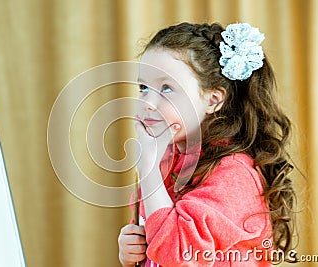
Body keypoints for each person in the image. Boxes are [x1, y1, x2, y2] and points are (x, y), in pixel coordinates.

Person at [118, 22, 296, 266]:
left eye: (167, 88)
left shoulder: (234, 175)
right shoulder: (169, 159)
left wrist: (147, 165)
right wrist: (132, 250)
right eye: (144, 87)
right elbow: (153, 237)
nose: (147, 102)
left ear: (213, 100)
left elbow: (179, 255)